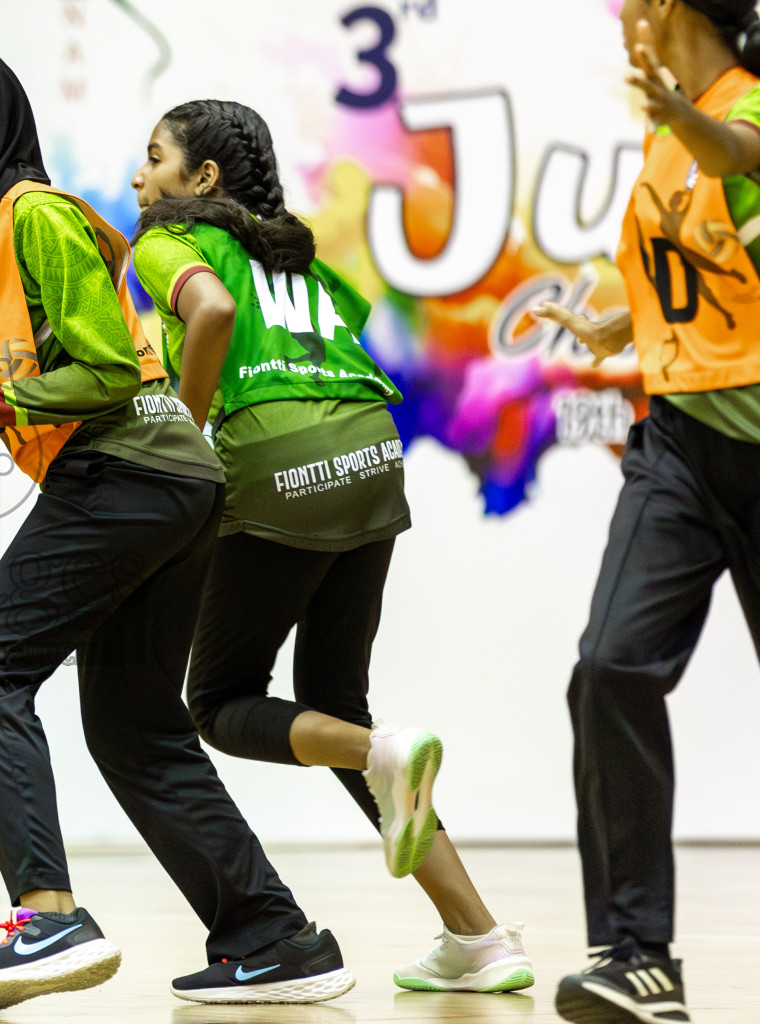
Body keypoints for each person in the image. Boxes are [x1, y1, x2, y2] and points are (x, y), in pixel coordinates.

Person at [0, 37, 355, 1011]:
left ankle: (46, 919)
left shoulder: (35, 215)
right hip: (150, 480)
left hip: (130, 464)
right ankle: (272, 936)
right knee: (136, 732)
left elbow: (104, 370)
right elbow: (7, 370)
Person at [128, 98, 535, 994]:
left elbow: (212, 316)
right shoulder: (295, 250)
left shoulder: (165, 240)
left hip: (280, 465)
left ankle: (383, 765)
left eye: (154, 159)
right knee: (341, 712)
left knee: (223, 702)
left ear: (201, 180)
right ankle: (478, 937)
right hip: (371, 453)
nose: (137, 178)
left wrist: (180, 453)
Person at [533, 1, 760, 1021]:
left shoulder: (731, 112)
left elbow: (740, 151)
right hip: (677, 442)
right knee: (611, 665)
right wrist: (607, 313)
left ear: (668, 8)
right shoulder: (670, 129)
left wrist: (685, 119)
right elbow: (694, 258)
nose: (618, 11)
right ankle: (637, 954)